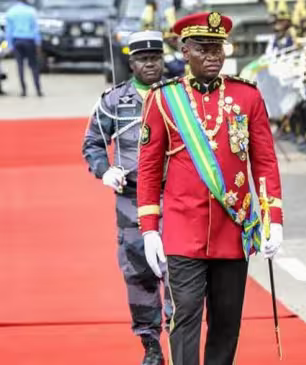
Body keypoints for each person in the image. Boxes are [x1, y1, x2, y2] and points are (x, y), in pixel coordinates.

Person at [137, 12, 284, 365]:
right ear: (185, 51)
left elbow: (264, 161)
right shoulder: (163, 99)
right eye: (203, 48)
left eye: (218, 48)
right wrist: (148, 230)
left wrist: (273, 217)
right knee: (185, 314)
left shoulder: (246, 96)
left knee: (226, 321)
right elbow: (148, 168)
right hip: (183, 229)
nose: (214, 56)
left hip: (233, 230)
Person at [82, 31, 172, 365]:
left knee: (179, 270)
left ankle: (179, 334)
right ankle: (151, 345)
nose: (150, 65)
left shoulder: (179, 95)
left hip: (175, 197)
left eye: (156, 58)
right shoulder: (113, 101)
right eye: (143, 59)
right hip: (131, 199)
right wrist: (104, 169)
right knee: (139, 274)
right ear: (131, 63)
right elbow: (92, 141)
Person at [4, 0, 42, 97]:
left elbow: (8, 31)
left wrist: (10, 46)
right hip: (29, 40)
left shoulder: (11, 11)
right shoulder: (31, 11)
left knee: (20, 66)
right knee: (33, 66)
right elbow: (36, 29)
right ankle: (38, 89)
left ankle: (23, 90)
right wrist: (38, 43)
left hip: (17, 40)